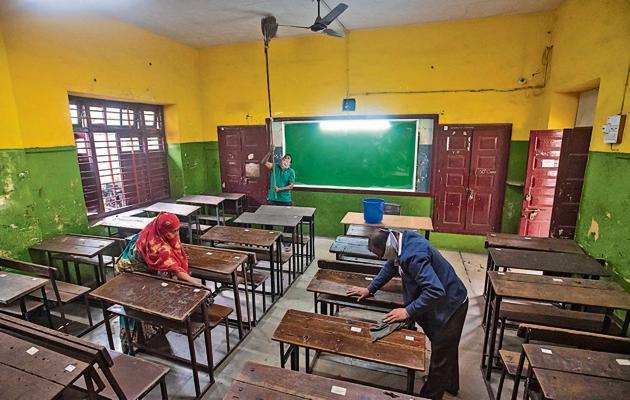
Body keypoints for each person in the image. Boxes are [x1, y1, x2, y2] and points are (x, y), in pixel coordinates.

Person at [346, 229, 468, 400]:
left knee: (441, 352)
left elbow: (435, 290)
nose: (379, 258)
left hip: (452, 305)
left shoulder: (412, 256)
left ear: (388, 248)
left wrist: (408, 310)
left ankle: (429, 396)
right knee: (447, 348)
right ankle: (450, 384)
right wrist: (370, 288)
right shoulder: (401, 241)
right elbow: (390, 266)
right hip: (447, 299)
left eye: (378, 254)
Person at [114, 212, 200, 353]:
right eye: (173, 231)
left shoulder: (155, 228)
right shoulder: (157, 246)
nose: (176, 234)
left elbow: (175, 251)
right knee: (137, 306)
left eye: (178, 230)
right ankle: (135, 340)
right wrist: (199, 285)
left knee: (162, 287)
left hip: (141, 269)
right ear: (163, 230)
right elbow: (176, 270)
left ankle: (151, 332)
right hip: (129, 273)